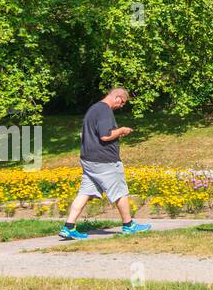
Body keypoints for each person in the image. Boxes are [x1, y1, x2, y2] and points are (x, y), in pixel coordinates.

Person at [59, 86, 152, 239]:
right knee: (120, 192)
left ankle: (69, 226)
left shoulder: (93, 109)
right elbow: (105, 136)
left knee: (85, 192)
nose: (121, 106)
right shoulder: (104, 110)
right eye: (122, 103)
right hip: (104, 161)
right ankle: (128, 225)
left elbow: (86, 134)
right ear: (117, 97)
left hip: (88, 159)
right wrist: (121, 130)